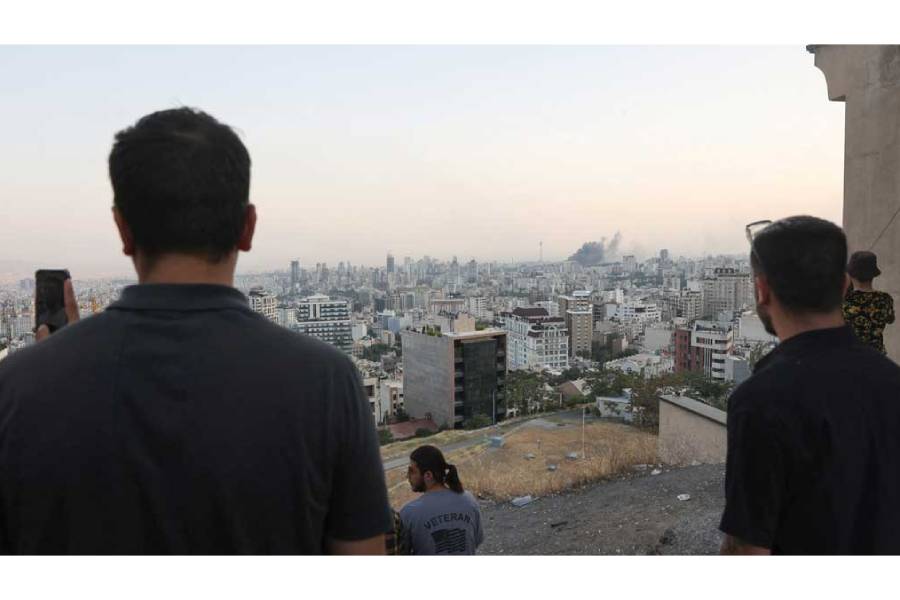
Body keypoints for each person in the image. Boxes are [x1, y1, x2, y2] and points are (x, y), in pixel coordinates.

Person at [0, 108, 392, 554]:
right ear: (247, 227)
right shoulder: (327, 381)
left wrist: (45, 376)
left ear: (123, 228)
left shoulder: (18, 387)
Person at [719, 216, 900, 555]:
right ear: (844, 285)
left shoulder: (760, 401)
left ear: (762, 290)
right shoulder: (893, 384)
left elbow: (749, 551)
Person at [399, 445, 484, 555]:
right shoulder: (469, 500)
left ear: (428, 475)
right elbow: (475, 541)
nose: (408, 476)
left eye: (411, 471)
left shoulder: (409, 513)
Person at [842, 250, 895, 355]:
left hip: (851, 357)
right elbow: (890, 319)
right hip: (877, 357)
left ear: (852, 275)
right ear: (873, 275)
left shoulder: (844, 301)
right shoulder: (885, 298)